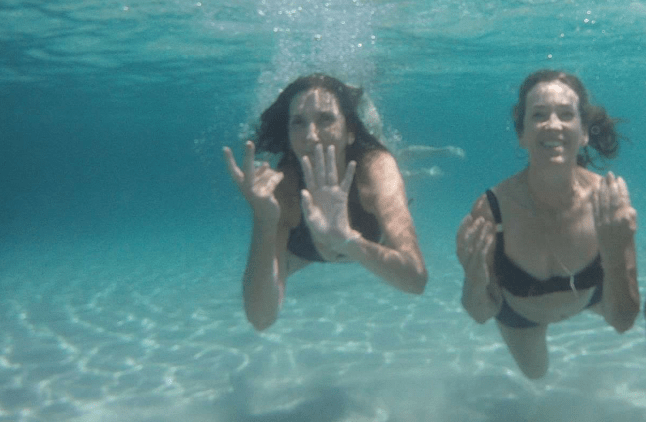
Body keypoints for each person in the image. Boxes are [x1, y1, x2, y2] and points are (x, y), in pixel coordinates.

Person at [456, 69, 640, 379]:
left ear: (584, 133)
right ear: (522, 134)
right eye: (539, 115)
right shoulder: (491, 212)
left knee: (630, 307)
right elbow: (480, 312)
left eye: (566, 114)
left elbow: (622, 322)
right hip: (520, 313)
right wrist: (475, 280)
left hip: (591, 296)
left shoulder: (607, 202)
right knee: (536, 373)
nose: (553, 124)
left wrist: (614, 253)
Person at [224, 74, 428, 331]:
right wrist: (264, 221)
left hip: (368, 239)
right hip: (305, 253)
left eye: (326, 119)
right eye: (298, 122)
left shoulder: (375, 169)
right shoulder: (283, 189)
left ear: (350, 131)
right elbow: (261, 319)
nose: (311, 136)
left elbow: (416, 281)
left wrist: (347, 240)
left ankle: (358, 100)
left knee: (388, 157)